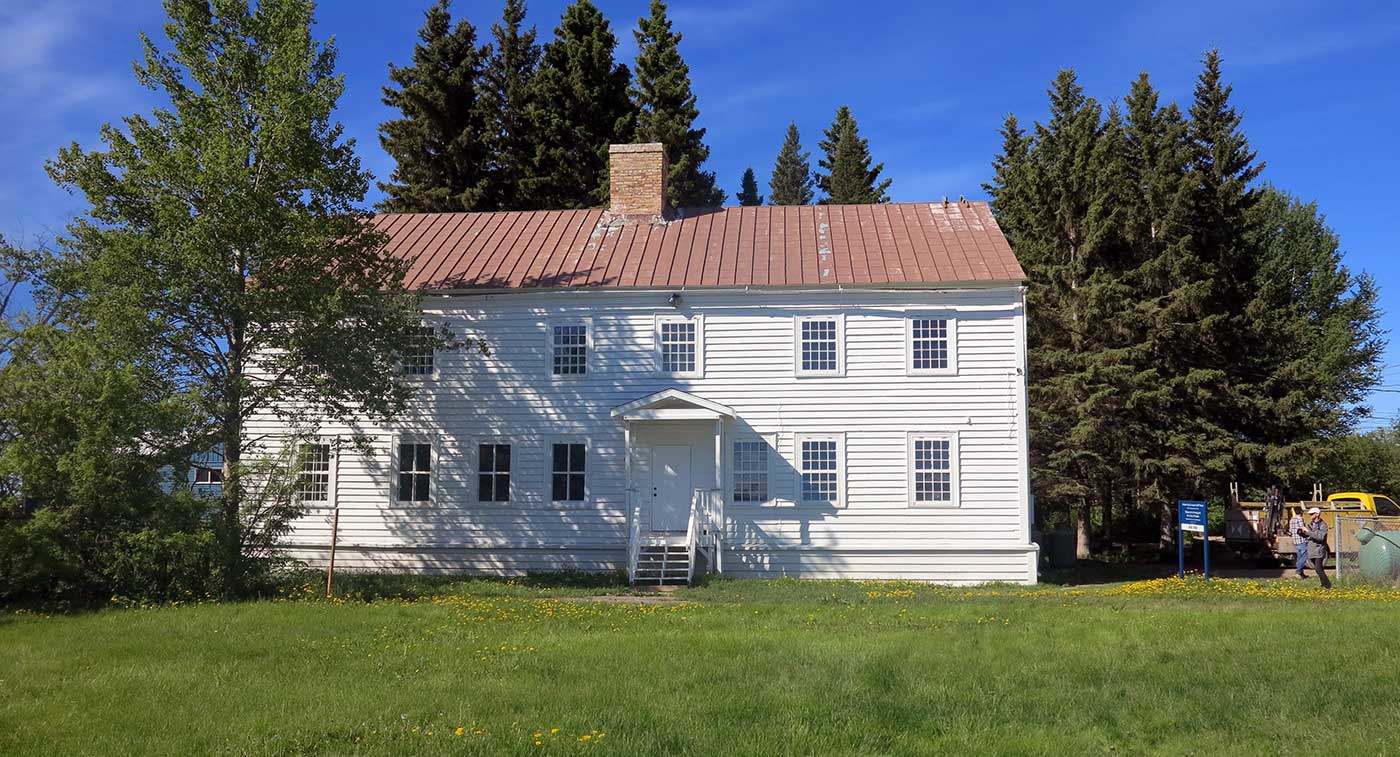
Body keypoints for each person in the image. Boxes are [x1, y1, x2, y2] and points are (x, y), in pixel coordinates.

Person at [1297, 507, 1332, 589]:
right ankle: (1324, 584)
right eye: (1310, 514)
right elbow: (1308, 535)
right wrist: (1302, 532)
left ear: (1317, 514)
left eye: (1312, 514)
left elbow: (1320, 537)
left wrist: (1308, 532)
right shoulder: (1311, 524)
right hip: (1311, 549)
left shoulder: (1323, 525)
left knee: (1319, 568)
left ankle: (1327, 585)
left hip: (1319, 549)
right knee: (1317, 569)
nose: (1310, 515)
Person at [1288, 509, 1308, 579]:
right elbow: (1302, 528)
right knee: (1304, 556)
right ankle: (1298, 572)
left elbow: (1290, 531)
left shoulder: (1291, 520)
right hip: (1301, 540)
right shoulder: (1300, 518)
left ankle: (1301, 574)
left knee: (1299, 557)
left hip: (1295, 541)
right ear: (1301, 512)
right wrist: (1308, 532)